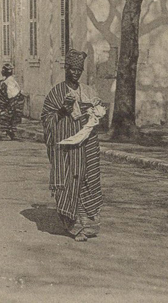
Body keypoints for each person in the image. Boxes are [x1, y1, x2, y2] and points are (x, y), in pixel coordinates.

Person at [41, 49, 105, 242]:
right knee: (69, 180)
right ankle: (72, 224)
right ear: (66, 69)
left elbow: (96, 111)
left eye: (79, 70)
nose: (76, 73)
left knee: (88, 178)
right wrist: (62, 111)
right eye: (72, 69)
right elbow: (46, 119)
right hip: (67, 148)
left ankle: (88, 223)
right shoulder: (57, 92)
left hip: (87, 144)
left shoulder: (88, 91)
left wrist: (96, 111)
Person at [0, 63, 25, 140]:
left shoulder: (7, 82)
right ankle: (11, 132)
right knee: (12, 118)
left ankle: (7, 133)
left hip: (11, 104)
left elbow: (10, 95)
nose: (2, 71)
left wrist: (5, 103)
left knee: (7, 118)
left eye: (3, 70)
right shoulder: (10, 81)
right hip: (14, 104)